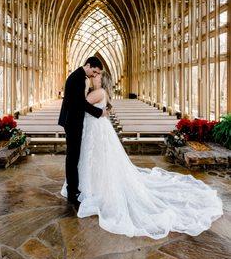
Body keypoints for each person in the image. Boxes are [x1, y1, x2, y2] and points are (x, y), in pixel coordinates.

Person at [61, 71, 223, 239]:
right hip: (93, 130)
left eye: (96, 75)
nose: (92, 77)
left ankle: (93, 188)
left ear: (101, 79)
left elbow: (79, 103)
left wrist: (81, 89)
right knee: (94, 160)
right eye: (93, 74)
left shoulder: (97, 92)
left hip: (95, 131)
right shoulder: (97, 92)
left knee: (95, 159)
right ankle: (89, 186)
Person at [58, 56, 108, 207]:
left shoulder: (79, 76)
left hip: (73, 121)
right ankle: (72, 191)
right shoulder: (77, 78)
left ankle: (73, 188)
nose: (94, 74)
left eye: (97, 73)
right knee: (73, 158)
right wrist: (99, 113)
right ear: (88, 65)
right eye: (94, 71)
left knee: (74, 157)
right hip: (73, 123)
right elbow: (81, 104)